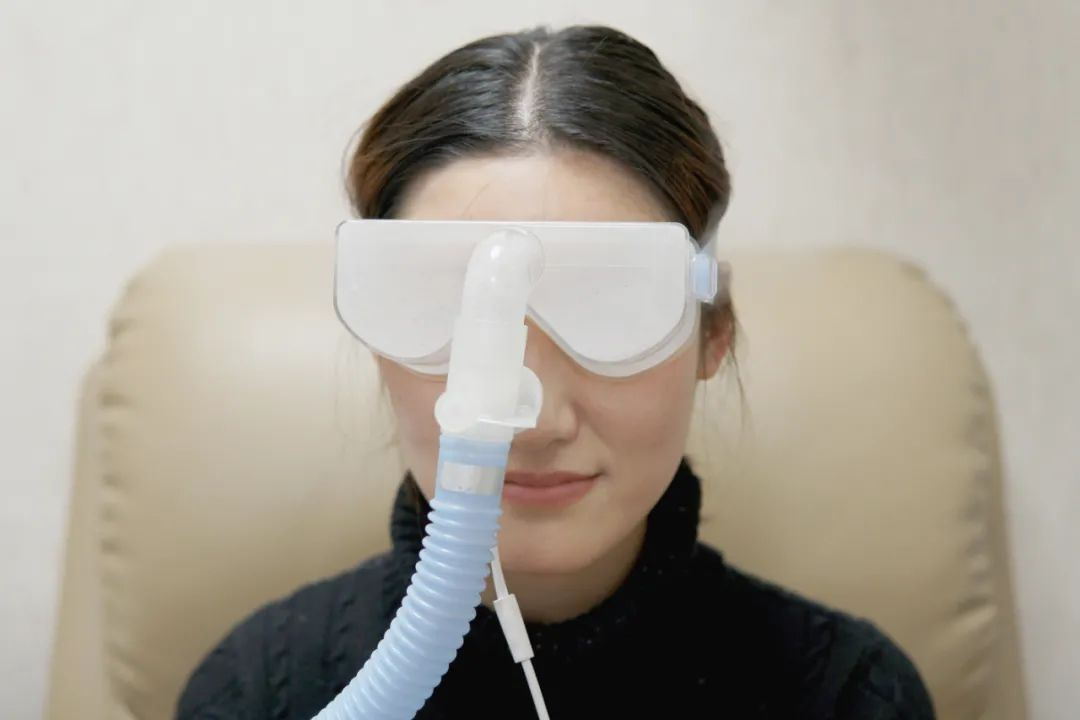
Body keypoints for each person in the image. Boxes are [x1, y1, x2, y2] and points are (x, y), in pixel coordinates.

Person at [177, 25, 935, 719]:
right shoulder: (256, 691)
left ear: (713, 334)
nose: (535, 425)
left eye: (610, 310)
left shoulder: (850, 697)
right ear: (381, 337)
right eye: (453, 313)